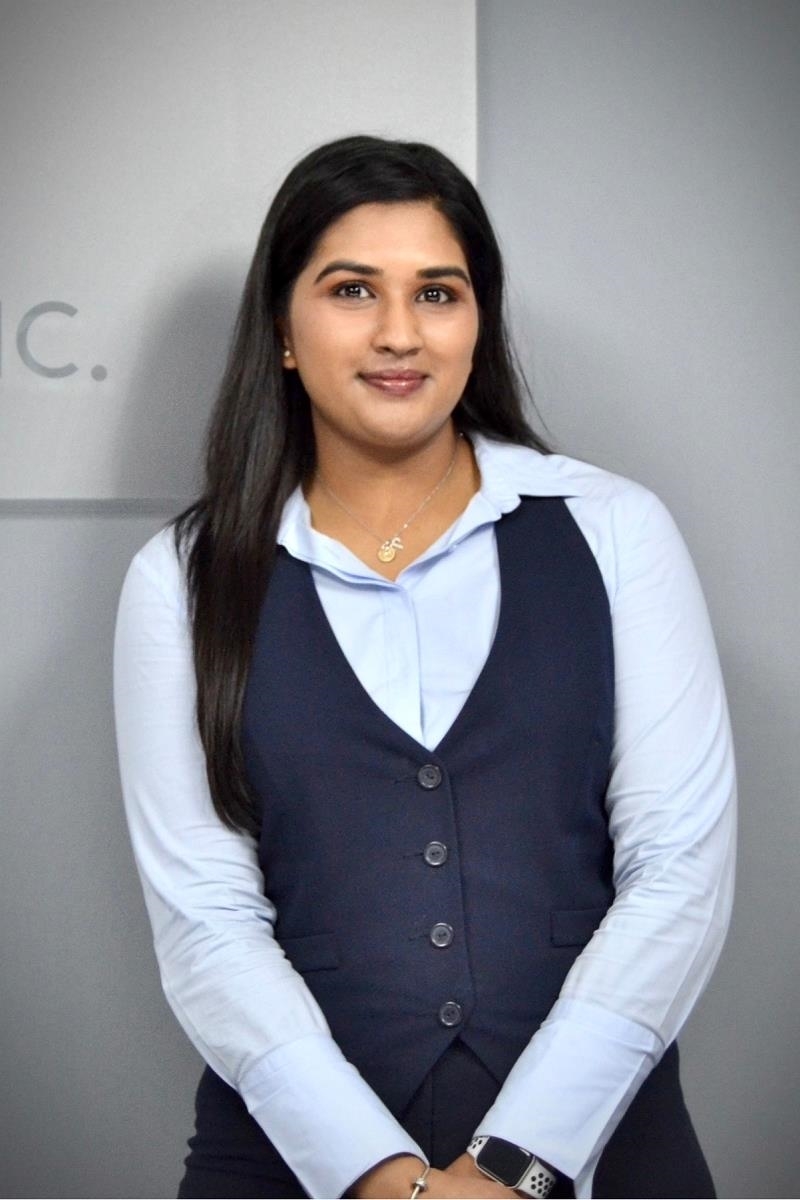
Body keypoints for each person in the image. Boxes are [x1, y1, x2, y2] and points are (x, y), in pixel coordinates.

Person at [114, 135, 736, 1200]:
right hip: (287, 1164)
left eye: (437, 293)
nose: (399, 333)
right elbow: (205, 920)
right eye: (352, 289)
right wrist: (379, 1175)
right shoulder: (182, 577)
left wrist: (516, 1164)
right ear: (283, 330)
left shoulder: (614, 530)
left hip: (598, 1155)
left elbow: (678, 873)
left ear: (477, 323)